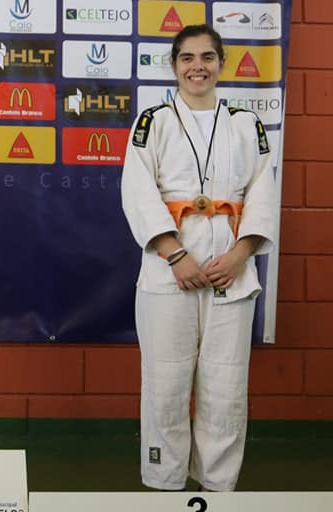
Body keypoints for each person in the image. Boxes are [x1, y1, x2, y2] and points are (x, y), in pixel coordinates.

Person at [121, 24, 279, 491]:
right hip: (168, 271)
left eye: (207, 57)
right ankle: (164, 483)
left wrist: (241, 255)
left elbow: (263, 193)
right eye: (187, 58)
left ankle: (217, 486)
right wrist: (175, 255)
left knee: (226, 386)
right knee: (166, 384)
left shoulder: (245, 124)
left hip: (232, 271)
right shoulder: (153, 122)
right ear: (174, 66)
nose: (198, 67)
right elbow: (137, 191)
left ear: (221, 64)